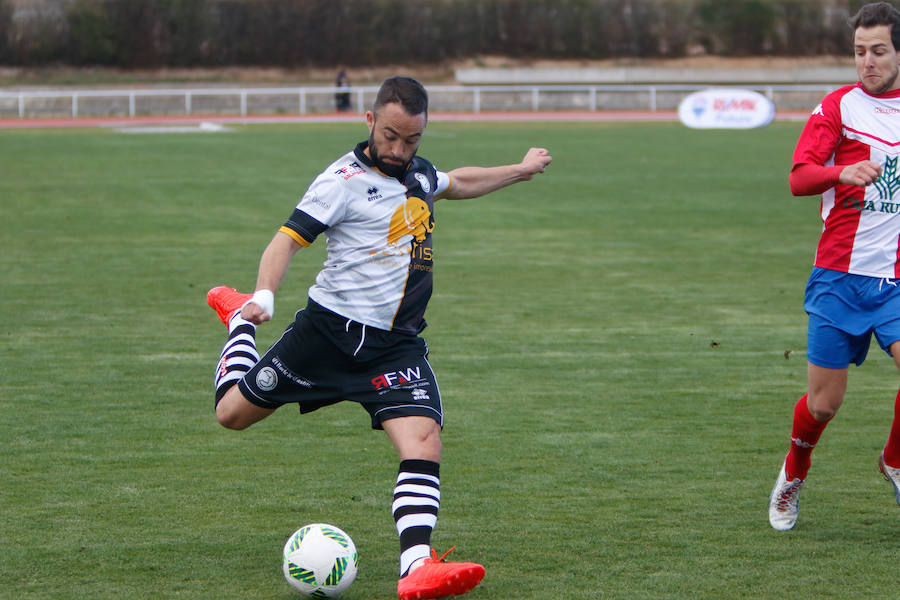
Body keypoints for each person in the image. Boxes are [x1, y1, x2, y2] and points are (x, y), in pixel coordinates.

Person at [207, 76, 552, 597]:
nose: (398, 149)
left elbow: (457, 181)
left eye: (411, 140)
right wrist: (264, 299)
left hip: (395, 346)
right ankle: (238, 324)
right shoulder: (340, 180)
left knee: (424, 441)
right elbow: (285, 243)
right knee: (231, 415)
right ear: (370, 121)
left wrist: (520, 172)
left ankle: (416, 565)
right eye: (390, 136)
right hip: (327, 334)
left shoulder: (417, 173)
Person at [768, 1, 900, 531]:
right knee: (823, 406)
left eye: (878, 51)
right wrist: (841, 172)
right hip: (839, 280)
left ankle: (894, 460)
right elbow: (800, 178)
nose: (866, 62)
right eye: (859, 51)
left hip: (895, 281)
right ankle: (794, 473)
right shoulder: (837, 108)